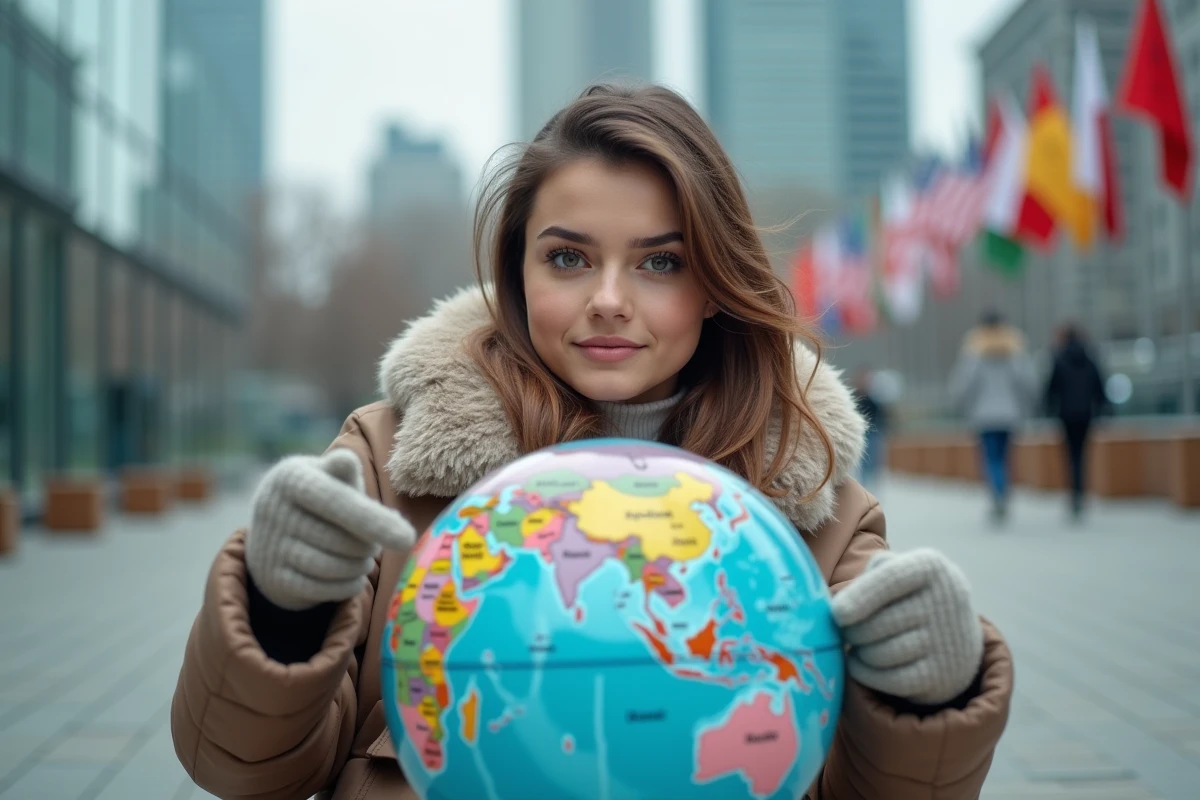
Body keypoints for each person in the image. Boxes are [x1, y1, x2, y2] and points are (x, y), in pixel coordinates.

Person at [171, 84, 1012, 800]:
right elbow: (241, 771)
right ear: (517, 273)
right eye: (568, 258)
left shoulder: (819, 510)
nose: (609, 300)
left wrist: (934, 696)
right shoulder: (388, 463)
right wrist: (283, 611)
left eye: (660, 264)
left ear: (716, 284)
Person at [950, 310, 1037, 522]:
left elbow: (964, 383)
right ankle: (1003, 492)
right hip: (1010, 415)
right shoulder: (1015, 349)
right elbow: (1028, 381)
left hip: (984, 415)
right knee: (1006, 457)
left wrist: (959, 402)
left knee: (991, 458)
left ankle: (997, 494)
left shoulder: (974, 350)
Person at [1044, 323, 1109, 518]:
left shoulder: (1060, 358)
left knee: (1070, 455)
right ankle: (1080, 493)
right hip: (1086, 413)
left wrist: (1048, 409)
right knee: (1082, 454)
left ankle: (1074, 495)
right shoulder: (1090, 358)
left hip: (1066, 414)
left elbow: (1051, 388)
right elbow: (1099, 386)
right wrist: (1102, 408)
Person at [851, 367, 888, 491]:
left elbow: (882, 416)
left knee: (874, 464)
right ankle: (864, 488)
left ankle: (872, 489)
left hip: (873, 435)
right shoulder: (854, 397)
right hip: (861, 435)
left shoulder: (874, 398)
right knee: (862, 465)